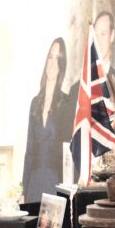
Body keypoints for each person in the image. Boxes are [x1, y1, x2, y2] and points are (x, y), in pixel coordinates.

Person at [22, 37, 71, 202]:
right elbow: (29, 151)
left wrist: (67, 189)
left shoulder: (66, 102)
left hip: (55, 183)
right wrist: (24, 190)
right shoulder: (35, 103)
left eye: (58, 59)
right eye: (50, 57)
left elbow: (67, 151)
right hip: (33, 184)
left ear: (61, 66)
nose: (52, 63)